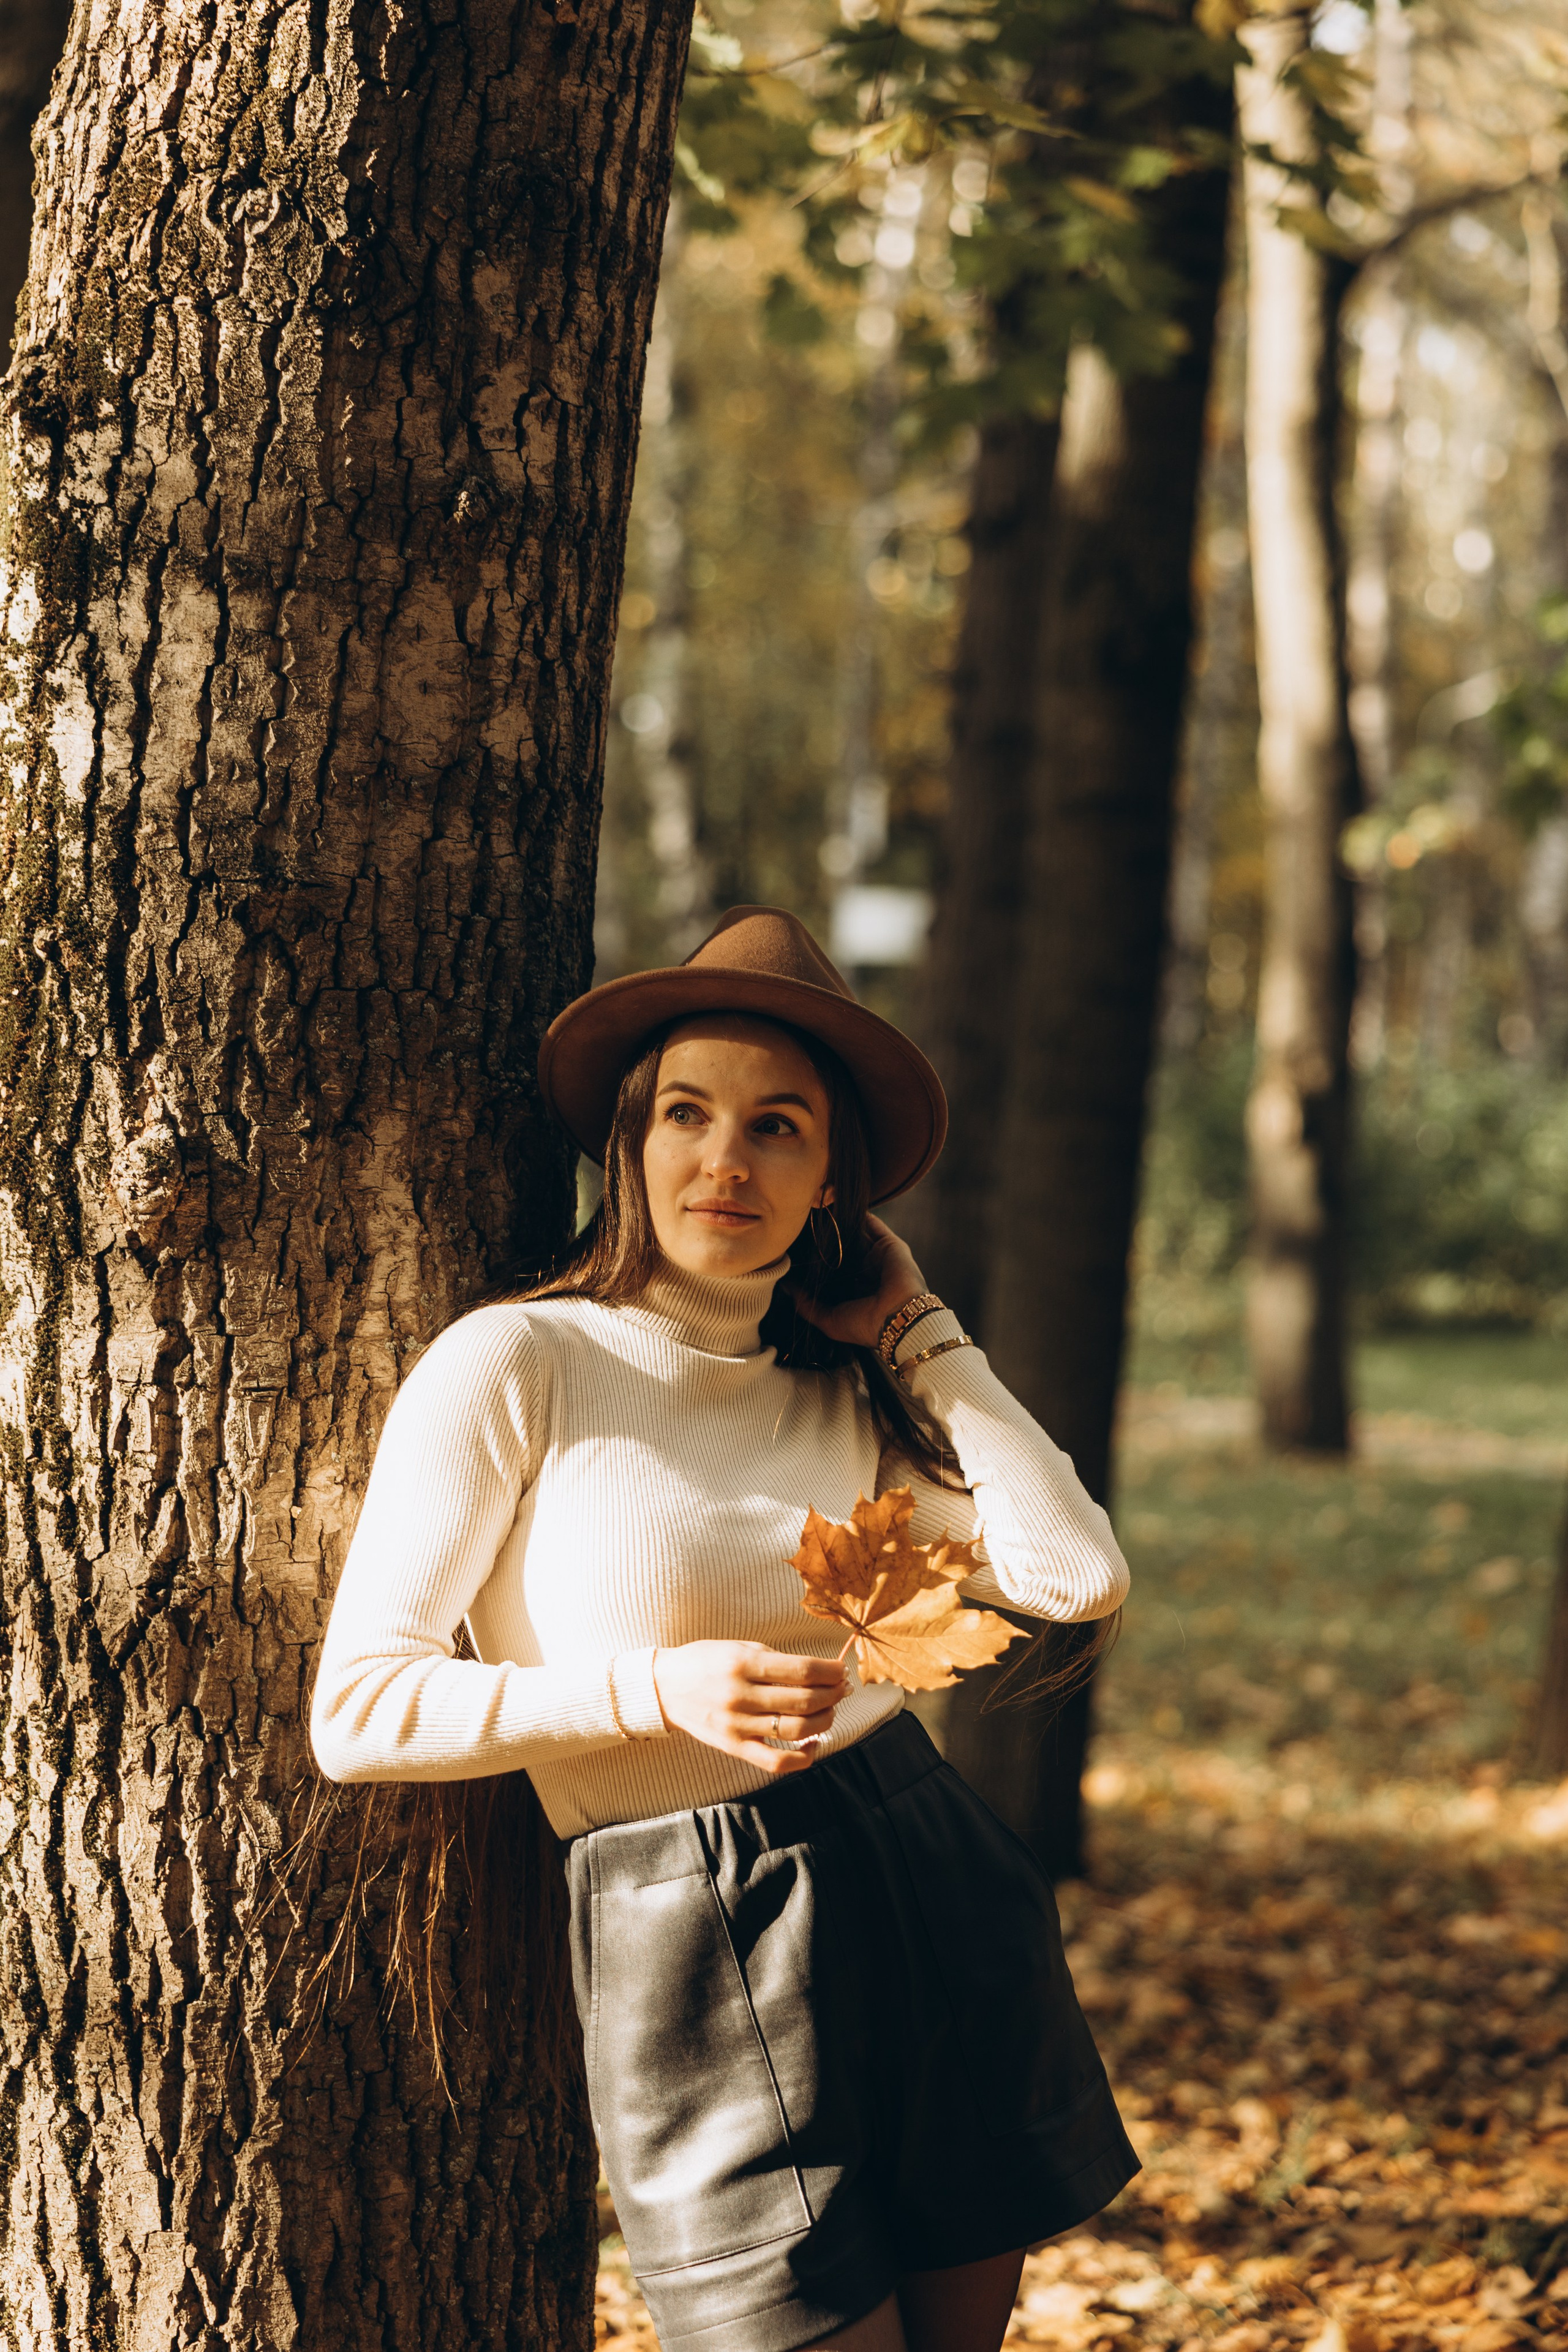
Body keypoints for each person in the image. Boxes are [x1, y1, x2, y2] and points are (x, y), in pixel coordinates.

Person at [312, 905, 1137, 2352]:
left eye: (778, 1128)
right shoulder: (519, 1361)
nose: (725, 1160)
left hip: (921, 1872)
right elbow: (360, 1711)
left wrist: (918, 1329)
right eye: (685, 1113)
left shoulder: (847, 1398)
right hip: (689, 1933)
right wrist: (646, 1690)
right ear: (628, 1140)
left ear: (833, 1182)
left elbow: (1073, 1578)